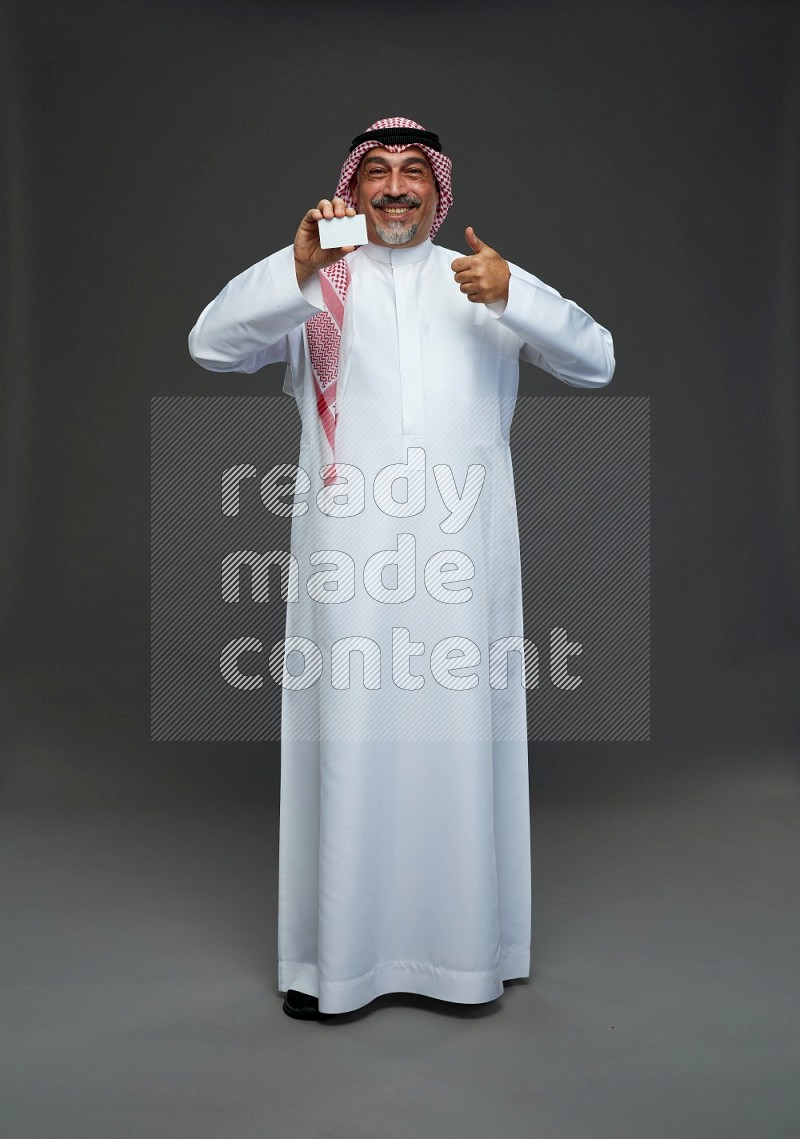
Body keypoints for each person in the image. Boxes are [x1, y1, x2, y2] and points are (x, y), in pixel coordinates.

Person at [188, 116, 615, 1020]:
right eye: (375, 171)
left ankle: (465, 959)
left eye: (411, 172)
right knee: (350, 747)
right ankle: (333, 964)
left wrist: (518, 295)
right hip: (350, 573)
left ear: (438, 189)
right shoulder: (319, 290)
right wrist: (296, 267)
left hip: (464, 566)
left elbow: (597, 363)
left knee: (461, 746)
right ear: (351, 187)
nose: (392, 188)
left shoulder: (482, 283)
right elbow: (211, 345)